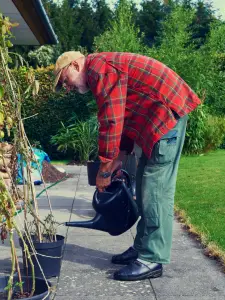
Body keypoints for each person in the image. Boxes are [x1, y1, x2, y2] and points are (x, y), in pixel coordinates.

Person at [53, 51, 201, 281]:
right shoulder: (101, 68)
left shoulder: (98, 69)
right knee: (143, 188)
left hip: (166, 118)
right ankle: (142, 247)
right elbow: (124, 111)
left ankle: (152, 259)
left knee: (155, 191)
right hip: (156, 119)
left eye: (65, 81)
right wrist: (119, 156)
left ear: (74, 65)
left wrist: (104, 169)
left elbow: (111, 119)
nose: (67, 88)